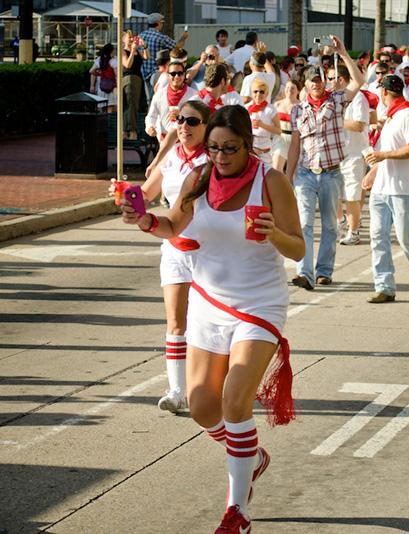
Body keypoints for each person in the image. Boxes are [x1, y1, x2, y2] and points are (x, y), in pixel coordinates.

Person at [121, 105, 304, 533]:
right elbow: (174, 226)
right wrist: (146, 220)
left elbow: (297, 249)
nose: (220, 157)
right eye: (214, 148)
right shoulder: (198, 178)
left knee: (234, 401)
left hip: (258, 304)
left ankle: (236, 511)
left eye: (230, 149)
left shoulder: (270, 181)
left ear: (248, 144)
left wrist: (271, 232)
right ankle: (251, 456)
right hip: (209, 301)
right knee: (203, 407)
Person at [122, 100, 210, 411]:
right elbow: (146, 193)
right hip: (174, 247)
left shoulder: (214, 163)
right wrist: (126, 197)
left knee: (208, 322)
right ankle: (176, 391)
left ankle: (218, 382)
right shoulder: (171, 158)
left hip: (209, 252)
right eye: (179, 119)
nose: (184, 126)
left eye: (192, 121)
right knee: (176, 321)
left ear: (206, 127)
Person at [285, 36, 365, 290]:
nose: (315, 84)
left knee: (330, 225)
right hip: (306, 174)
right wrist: (287, 176)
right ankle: (305, 273)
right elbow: (295, 145)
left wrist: (342, 53)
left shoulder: (337, 100)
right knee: (305, 223)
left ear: (324, 81)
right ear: (305, 85)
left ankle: (324, 271)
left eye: (319, 80)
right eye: (311, 81)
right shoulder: (298, 110)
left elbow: (359, 81)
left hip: (331, 173)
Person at [362, 74, 409, 303]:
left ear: (384, 93)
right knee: (377, 236)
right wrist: (374, 172)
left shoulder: (407, 115)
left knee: (405, 237)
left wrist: (382, 155)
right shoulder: (391, 117)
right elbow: (385, 152)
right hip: (382, 188)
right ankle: (384, 286)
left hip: (403, 187)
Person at [326, 65, 370, 246]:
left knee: (352, 196)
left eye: (330, 79)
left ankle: (354, 232)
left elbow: (359, 125)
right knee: (333, 194)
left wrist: (337, 119)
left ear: (341, 79)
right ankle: (341, 221)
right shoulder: (331, 98)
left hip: (354, 154)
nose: (328, 83)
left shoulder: (358, 98)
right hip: (335, 153)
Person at [139, 12, 188, 102]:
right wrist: (184, 37)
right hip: (156, 72)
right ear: (158, 23)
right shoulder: (161, 37)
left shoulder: (141, 35)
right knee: (158, 98)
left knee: (149, 100)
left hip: (143, 72)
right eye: (162, 23)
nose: (162, 25)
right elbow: (178, 46)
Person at [145, 60, 198, 141]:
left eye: (180, 73)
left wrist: (182, 115)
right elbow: (151, 116)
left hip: (185, 141)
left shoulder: (194, 95)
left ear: (184, 75)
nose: (177, 76)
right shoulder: (159, 94)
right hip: (164, 140)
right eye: (173, 74)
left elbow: (198, 118)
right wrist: (150, 127)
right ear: (168, 75)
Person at [121, 32, 149, 139]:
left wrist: (144, 46)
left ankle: (128, 131)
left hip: (137, 79)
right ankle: (130, 132)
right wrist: (132, 52)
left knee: (134, 105)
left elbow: (146, 57)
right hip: (129, 78)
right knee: (130, 105)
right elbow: (127, 65)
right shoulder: (124, 51)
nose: (132, 39)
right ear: (124, 39)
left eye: (132, 37)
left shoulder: (137, 50)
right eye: (129, 37)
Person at [248, 79, 281, 163]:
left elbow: (278, 131)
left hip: (265, 151)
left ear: (266, 94)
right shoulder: (247, 108)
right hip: (250, 149)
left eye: (261, 92)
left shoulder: (270, 109)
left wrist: (262, 125)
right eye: (255, 91)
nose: (258, 94)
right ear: (252, 93)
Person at [272, 80, 300, 173]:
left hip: (295, 139)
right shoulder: (277, 104)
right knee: (276, 168)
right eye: (287, 87)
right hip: (281, 137)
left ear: (298, 91)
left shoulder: (301, 106)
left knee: (294, 172)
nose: (289, 90)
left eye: (293, 88)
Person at [90, 44, 118, 112]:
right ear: (111, 51)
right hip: (111, 86)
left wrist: (99, 74)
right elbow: (117, 74)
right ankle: (109, 120)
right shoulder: (114, 60)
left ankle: (102, 120)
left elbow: (91, 71)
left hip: (101, 85)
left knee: (101, 105)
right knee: (110, 106)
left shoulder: (99, 59)